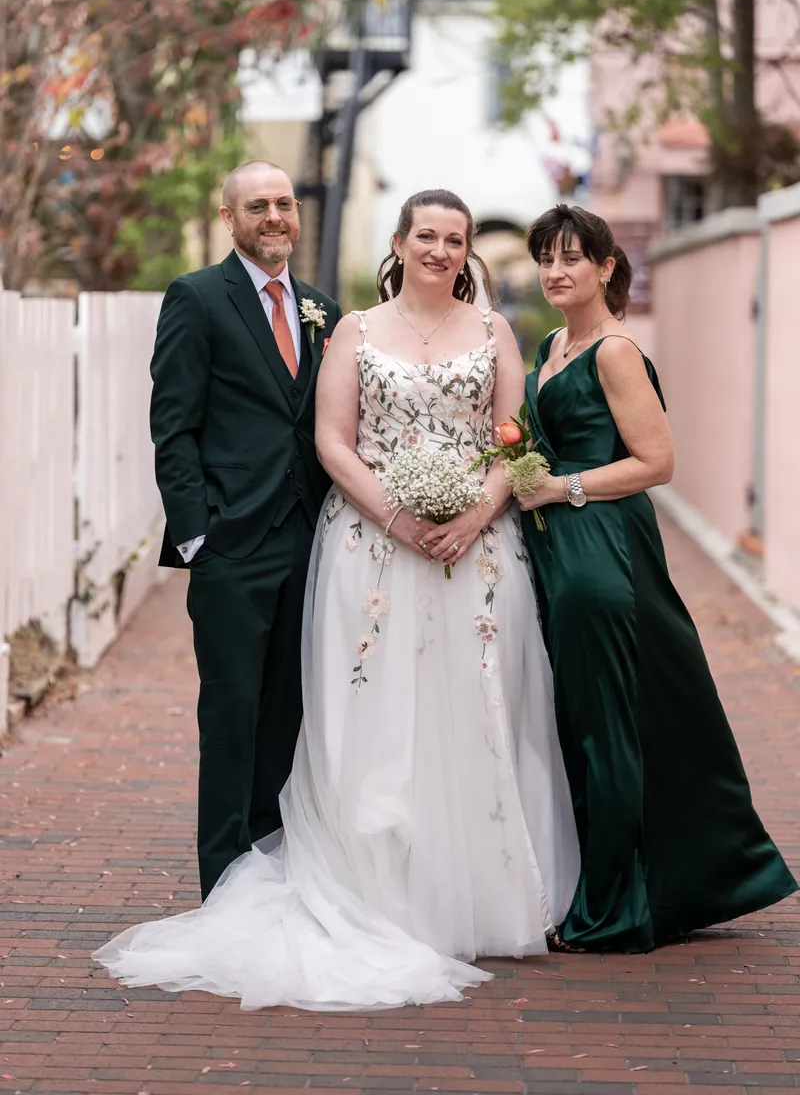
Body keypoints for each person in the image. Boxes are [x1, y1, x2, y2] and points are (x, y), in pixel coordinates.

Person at [92, 188, 580, 1011]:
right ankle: (337, 885)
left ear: (468, 251)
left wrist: (473, 513)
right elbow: (330, 438)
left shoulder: (489, 332)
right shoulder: (349, 328)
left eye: (454, 239)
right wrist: (392, 512)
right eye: (425, 234)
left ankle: (482, 890)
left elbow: (512, 440)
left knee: (479, 711)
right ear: (399, 241)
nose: (440, 249)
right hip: (368, 547)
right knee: (364, 715)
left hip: (476, 553)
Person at [516, 202, 797, 953]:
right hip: (558, 550)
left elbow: (657, 463)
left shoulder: (613, 351)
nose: (556, 271)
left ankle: (613, 911)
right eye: (547, 257)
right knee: (582, 723)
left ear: (607, 268)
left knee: (609, 727)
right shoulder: (550, 344)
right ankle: (639, 884)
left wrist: (559, 489)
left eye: (573, 257)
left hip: (602, 551)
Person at [147, 160, 342, 901]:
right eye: (257, 205)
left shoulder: (322, 308)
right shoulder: (197, 298)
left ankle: (274, 864)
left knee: (290, 709)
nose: (275, 216)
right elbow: (174, 427)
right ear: (229, 217)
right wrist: (198, 533)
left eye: (285, 203)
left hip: (310, 537)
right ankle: (225, 883)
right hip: (231, 543)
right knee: (231, 711)